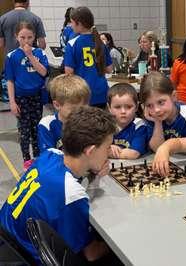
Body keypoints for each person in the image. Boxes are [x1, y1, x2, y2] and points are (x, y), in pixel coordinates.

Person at [0, 106, 119, 264]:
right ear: (90, 150)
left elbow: (64, 182)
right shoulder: (72, 195)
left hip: (8, 240)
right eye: (107, 147)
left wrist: (93, 173)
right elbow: (91, 254)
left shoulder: (50, 154)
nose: (109, 152)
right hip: (30, 257)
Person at [6, 21, 48, 171]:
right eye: (22, 37)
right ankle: (26, 159)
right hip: (21, 98)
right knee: (24, 130)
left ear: (34, 37)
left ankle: (37, 156)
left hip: (36, 96)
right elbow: (10, 81)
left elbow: (43, 72)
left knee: (37, 128)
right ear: (16, 37)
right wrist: (12, 102)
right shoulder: (12, 56)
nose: (26, 41)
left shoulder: (40, 53)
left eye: (29, 37)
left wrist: (30, 55)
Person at [140, 71, 186, 152]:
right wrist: (157, 122)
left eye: (161, 102)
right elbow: (157, 149)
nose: (156, 110)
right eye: (149, 105)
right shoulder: (151, 116)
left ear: (174, 96)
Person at [64, 6, 112, 108]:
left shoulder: (72, 44)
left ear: (79, 24)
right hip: (102, 92)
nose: (71, 25)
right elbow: (109, 69)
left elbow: (69, 73)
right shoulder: (100, 43)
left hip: (83, 94)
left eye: (72, 22)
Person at [38, 74, 90, 153]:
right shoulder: (47, 125)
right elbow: (48, 156)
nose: (80, 112)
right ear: (57, 105)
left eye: (83, 107)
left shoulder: (90, 121)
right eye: (74, 109)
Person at [107, 83, 147, 159]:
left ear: (136, 107)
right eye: (117, 107)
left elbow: (133, 154)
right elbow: (94, 150)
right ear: (109, 108)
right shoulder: (105, 125)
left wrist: (106, 151)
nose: (123, 111)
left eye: (128, 107)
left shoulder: (139, 126)